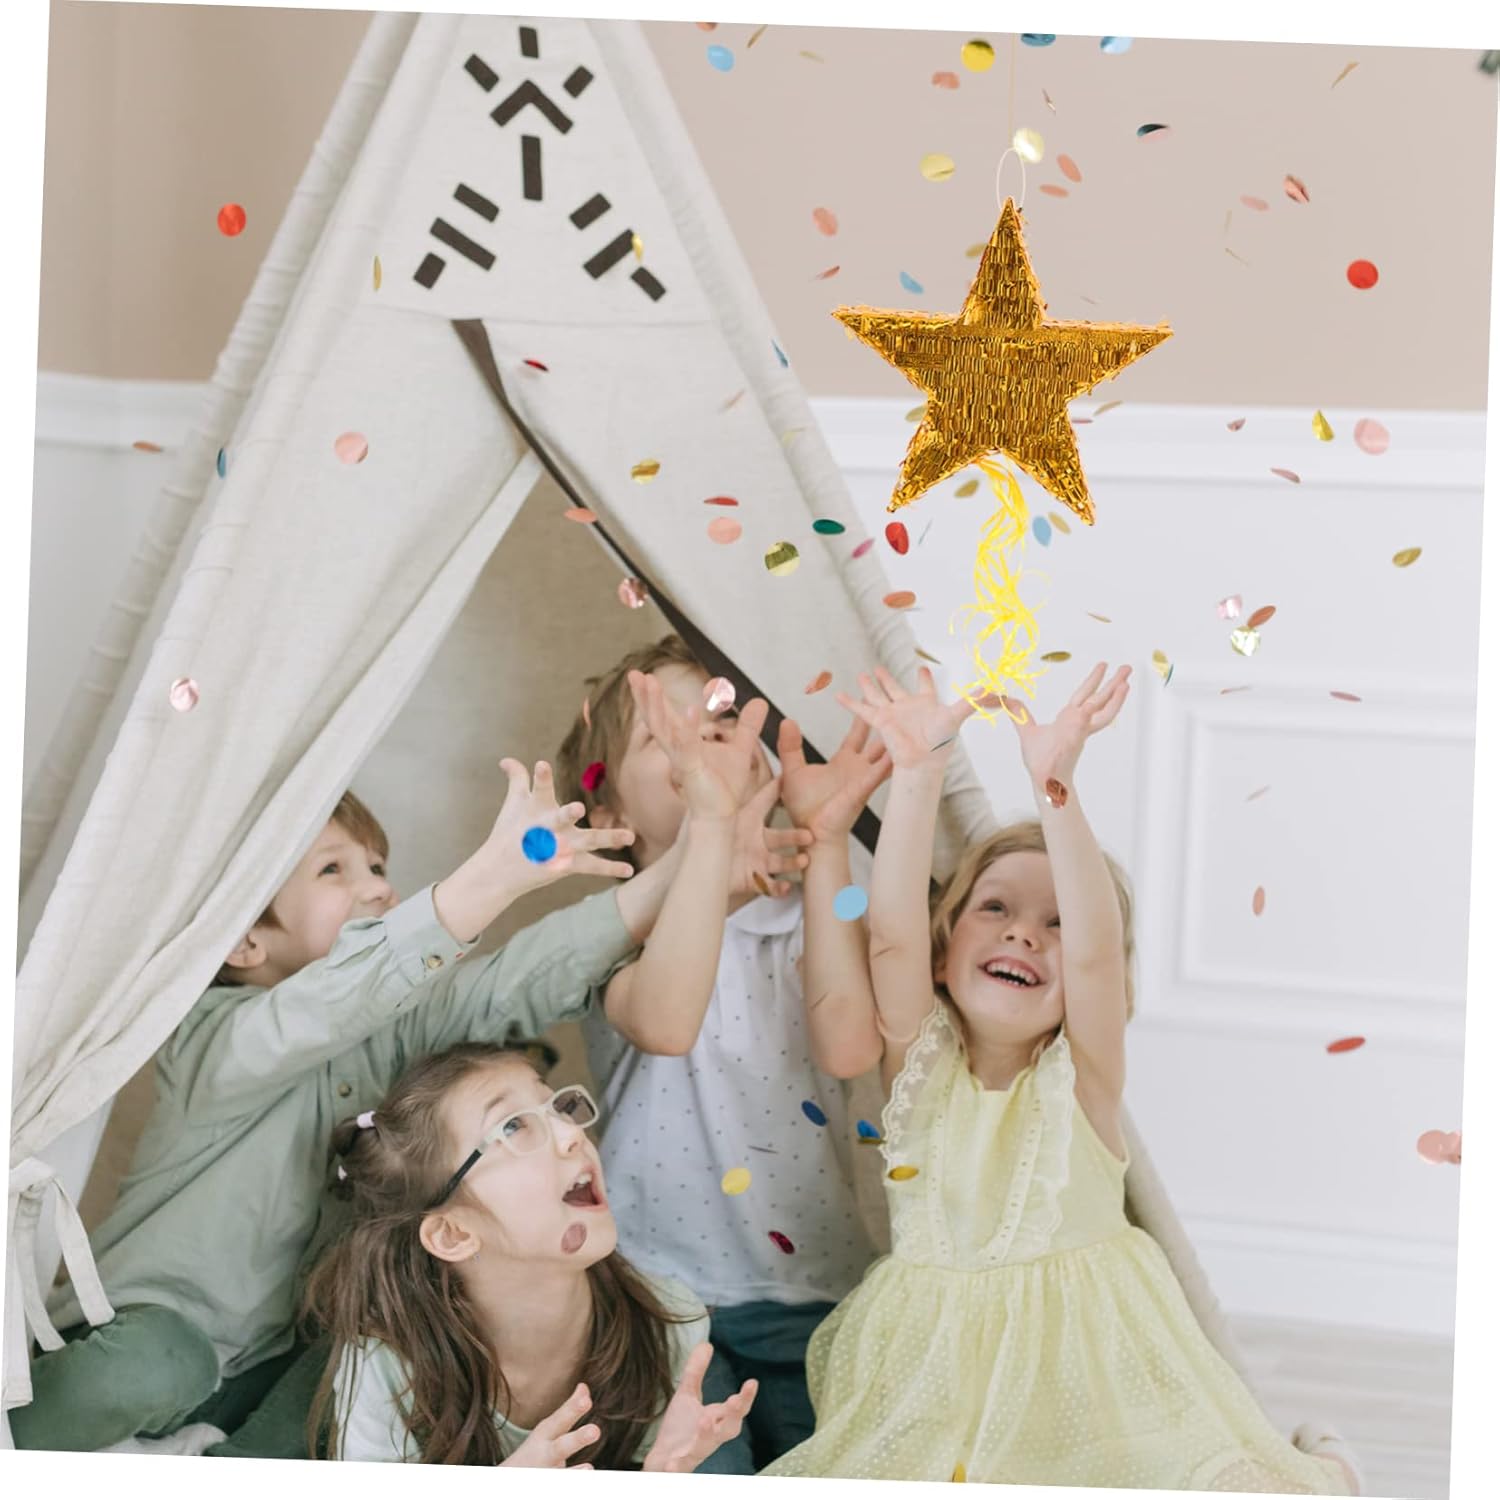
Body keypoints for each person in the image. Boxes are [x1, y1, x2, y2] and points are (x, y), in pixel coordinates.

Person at [764, 663, 1360, 1494]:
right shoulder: (918, 1063)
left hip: (1097, 1382)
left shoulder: (1083, 1078)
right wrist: (917, 774)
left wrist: (1056, 785)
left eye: (1054, 923)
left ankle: (1331, 1467)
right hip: (940, 1377)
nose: (1025, 936)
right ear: (943, 953)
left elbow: (1094, 953)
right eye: (996, 909)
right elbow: (892, 935)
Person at [16, 764, 662, 1457]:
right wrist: (492, 879)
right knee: (163, 1361)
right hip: (143, 1338)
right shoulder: (208, 1042)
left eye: (378, 866)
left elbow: (514, 980)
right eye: (334, 870)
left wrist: (691, 867)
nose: (380, 886)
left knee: (366, 1363)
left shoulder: (392, 1036)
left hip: (273, 1367)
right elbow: (332, 1002)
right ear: (245, 941)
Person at [556, 635, 891, 1473]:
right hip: (658, 1298)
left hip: (822, 1289)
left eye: (719, 720)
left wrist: (826, 839)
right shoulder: (611, 938)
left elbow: (849, 1048)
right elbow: (664, 1022)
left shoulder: (818, 917)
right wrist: (712, 833)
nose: (702, 737)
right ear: (609, 816)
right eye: (662, 734)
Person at [305, 1041, 757, 1469]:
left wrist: (660, 1477)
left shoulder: (668, 1325)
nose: (571, 1133)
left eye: (556, 1107)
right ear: (452, 1233)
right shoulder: (388, 1369)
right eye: (512, 1126)